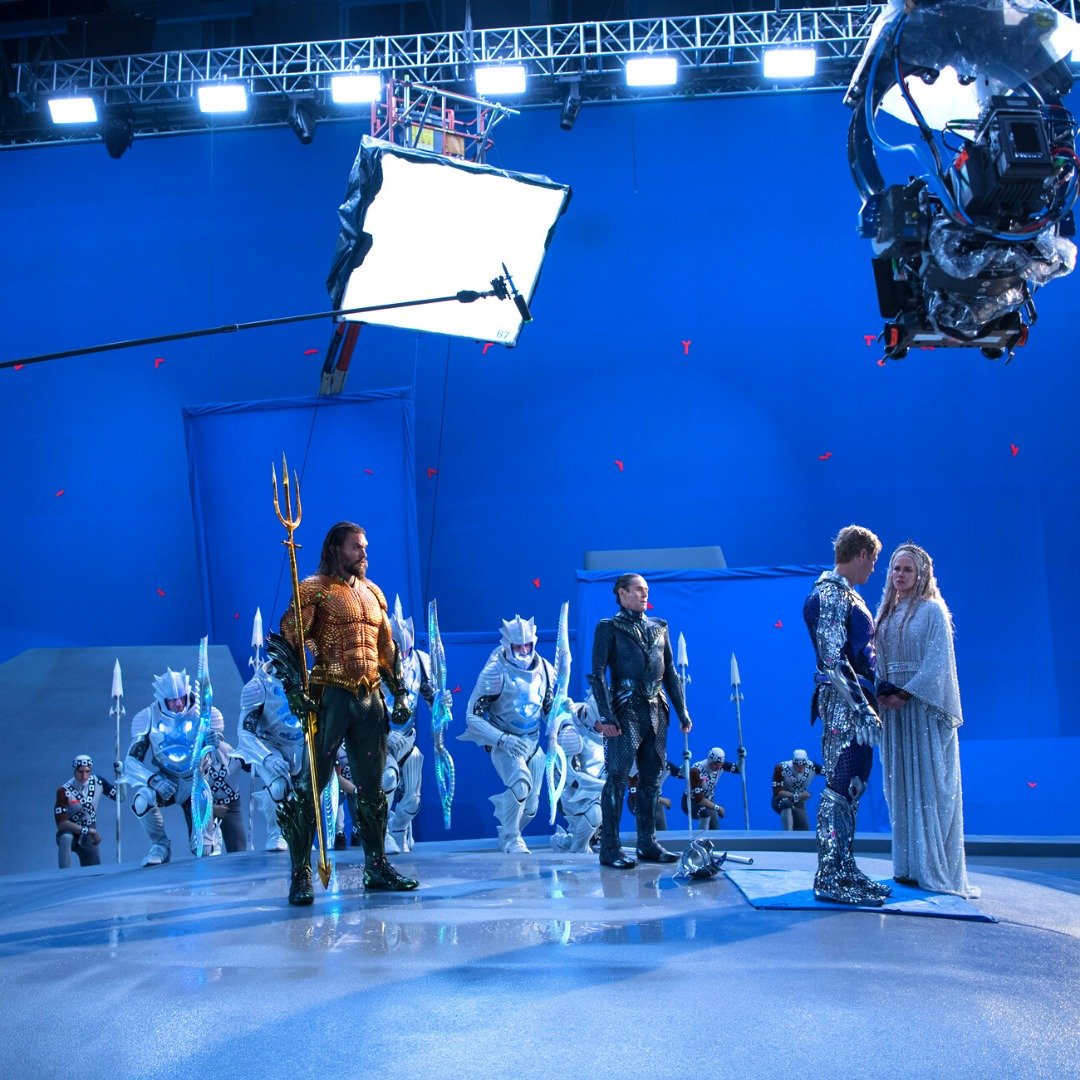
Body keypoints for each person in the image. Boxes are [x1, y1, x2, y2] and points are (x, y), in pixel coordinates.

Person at [269, 521, 418, 905]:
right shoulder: (314, 589)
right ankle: (300, 875)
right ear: (336, 548)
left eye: (365, 547)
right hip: (330, 696)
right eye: (356, 547)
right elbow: (290, 640)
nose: (364, 553)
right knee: (311, 787)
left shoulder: (374, 593)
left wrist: (399, 693)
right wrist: (295, 691)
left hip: (371, 699)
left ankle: (376, 865)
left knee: (374, 788)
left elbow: (386, 650)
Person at [875, 543, 979, 897]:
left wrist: (905, 694)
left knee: (929, 785)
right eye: (895, 568)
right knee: (900, 785)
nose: (899, 575)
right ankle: (907, 865)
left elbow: (938, 663)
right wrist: (882, 692)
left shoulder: (932, 611)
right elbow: (878, 660)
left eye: (907, 569)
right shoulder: (887, 613)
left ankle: (933, 867)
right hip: (894, 713)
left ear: (921, 574)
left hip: (921, 710)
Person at [803, 525, 891, 905]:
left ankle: (844, 867)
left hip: (853, 701)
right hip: (844, 703)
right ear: (860, 554)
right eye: (873, 560)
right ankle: (829, 875)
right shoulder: (829, 595)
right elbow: (833, 660)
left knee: (852, 786)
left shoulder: (846, 595)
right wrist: (863, 709)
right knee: (840, 784)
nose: (873, 568)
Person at [589, 573, 692, 869]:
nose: (644, 594)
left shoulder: (660, 626)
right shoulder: (609, 627)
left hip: (656, 707)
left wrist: (682, 710)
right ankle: (610, 847)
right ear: (622, 594)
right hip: (625, 707)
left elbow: (670, 671)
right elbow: (598, 673)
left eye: (646, 590)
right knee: (618, 776)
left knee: (651, 776)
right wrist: (606, 715)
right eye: (638, 590)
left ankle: (647, 842)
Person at [462, 615, 557, 853]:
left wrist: (562, 720)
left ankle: (509, 831)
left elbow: (548, 709)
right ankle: (511, 837)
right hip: (506, 741)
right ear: (508, 645)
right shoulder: (495, 671)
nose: (524, 651)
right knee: (521, 785)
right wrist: (502, 739)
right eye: (518, 646)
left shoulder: (545, 669)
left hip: (533, 741)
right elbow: (472, 716)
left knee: (531, 806)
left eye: (527, 646)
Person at [123, 667, 225, 866]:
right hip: (166, 780)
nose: (178, 703)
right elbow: (130, 762)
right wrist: (154, 780)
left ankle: (213, 832)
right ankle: (159, 845)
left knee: (203, 851)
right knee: (143, 799)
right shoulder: (148, 716)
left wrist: (215, 743)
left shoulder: (205, 714)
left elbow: (223, 756)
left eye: (182, 698)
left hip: (196, 781)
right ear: (163, 700)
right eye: (172, 700)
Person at [382, 597, 451, 854]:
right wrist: (384, 734)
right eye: (398, 651)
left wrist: (442, 703)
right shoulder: (374, 666)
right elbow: (365, 707)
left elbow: (431, 698)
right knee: (388, 779)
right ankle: (380, 833)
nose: (403, 657)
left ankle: (397, 829)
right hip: (381, 740)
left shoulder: (420, 661)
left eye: (406, 651)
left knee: (412, 801)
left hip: (408, 738)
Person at [233, 654, 306, 852]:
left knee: (310, 790)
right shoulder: (257, 687)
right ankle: (276, 833)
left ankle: (303, 836)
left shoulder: (308, 679)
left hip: (302, 742)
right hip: (269, 745)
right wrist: (267, 758)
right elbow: (245, 732)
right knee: (279, 786)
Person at [550, 693, 605, 853]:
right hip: (570, 792)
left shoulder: (612, 732)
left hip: (597, 789)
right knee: (595, 813)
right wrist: (604, 786)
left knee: (598, 815)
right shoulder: (572, 732)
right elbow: (569, 775)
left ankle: (565, 842)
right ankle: (577, 850)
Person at [54, 755, 117, 868]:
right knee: (66, 838)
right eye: (80, 771)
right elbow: (62, 823)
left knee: (93, 870)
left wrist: (121, 776)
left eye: (87, 771)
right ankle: (64, 874)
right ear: (75, 770)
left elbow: (120, 797)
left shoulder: (98, 782)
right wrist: (90, 831)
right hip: (71, 829)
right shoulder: (64, 791)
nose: (84, 776)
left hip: (89, 831)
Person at [682, 747, 742, 830]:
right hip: (691, 801)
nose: (718, 767)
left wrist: (741, 758)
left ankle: (714, 838)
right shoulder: (696, 771)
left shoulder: (720, 764)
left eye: (720, 764)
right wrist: (717, 808)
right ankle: (701, 837)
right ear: (710, 760)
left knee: (714, 826)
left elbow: (739, 769)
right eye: (715, 764)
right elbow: (699, 800)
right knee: (706, 813)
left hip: (708, 800)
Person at [770, 749, 824, 831]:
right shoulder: (780, 768)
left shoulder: (813, 766)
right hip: (781, 800)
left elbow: (829, 773)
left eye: (803, 765)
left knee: (803, 829)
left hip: (799, 803)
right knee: (786, 803)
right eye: (797, 765)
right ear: (793, 762)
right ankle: (788, 834)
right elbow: (777, 793)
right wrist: (798, 796)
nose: (800, 769)